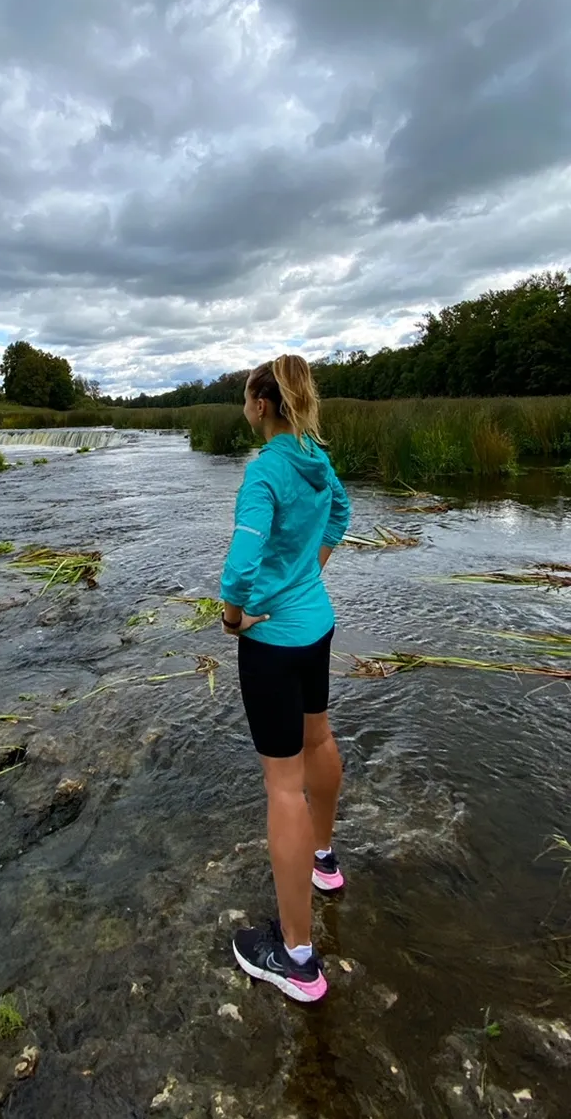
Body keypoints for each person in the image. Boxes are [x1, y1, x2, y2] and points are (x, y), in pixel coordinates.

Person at [219, 354, 351, 1003]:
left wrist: (231, 613)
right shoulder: (314, 457)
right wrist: (310, 572)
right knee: (319, 737)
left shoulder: (265, 471)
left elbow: (242, 562)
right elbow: (340, 514)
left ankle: (297, 958)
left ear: (261, 403)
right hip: (317, 624)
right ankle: (325, 861)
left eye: (247, 394)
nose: (245, 404)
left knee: (283, 787)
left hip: (270, 636)